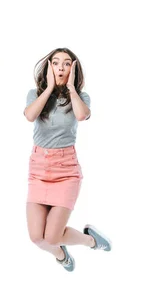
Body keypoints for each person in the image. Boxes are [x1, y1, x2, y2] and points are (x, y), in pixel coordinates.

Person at [24, 48, 111, 272]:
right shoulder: (35, 94)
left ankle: (91, 241)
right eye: (55, 63)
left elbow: (82, 115)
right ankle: (62, 256)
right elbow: (29, 115)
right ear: (49, 67)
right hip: (39, 169)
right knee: (37, 237)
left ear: (73, 69)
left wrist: (71, 87)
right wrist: (50, 87)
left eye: (66, 63)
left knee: (52, 236)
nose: (60, 67)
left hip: (66, 170)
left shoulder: (81, 97)